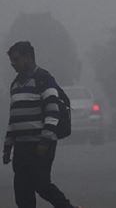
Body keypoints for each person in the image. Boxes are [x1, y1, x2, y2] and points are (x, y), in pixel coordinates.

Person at [3, 41, 81, 208]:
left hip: (40, 145)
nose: (13, 64)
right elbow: (14, 118)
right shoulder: (15, 85)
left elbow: (53, 111)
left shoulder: (43, 79)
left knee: (41, 184)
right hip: (21, 147)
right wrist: (8, 146)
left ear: (28, 57)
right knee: (22, 190)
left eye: (16, 59)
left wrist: (45, 141)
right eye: (11, 60)